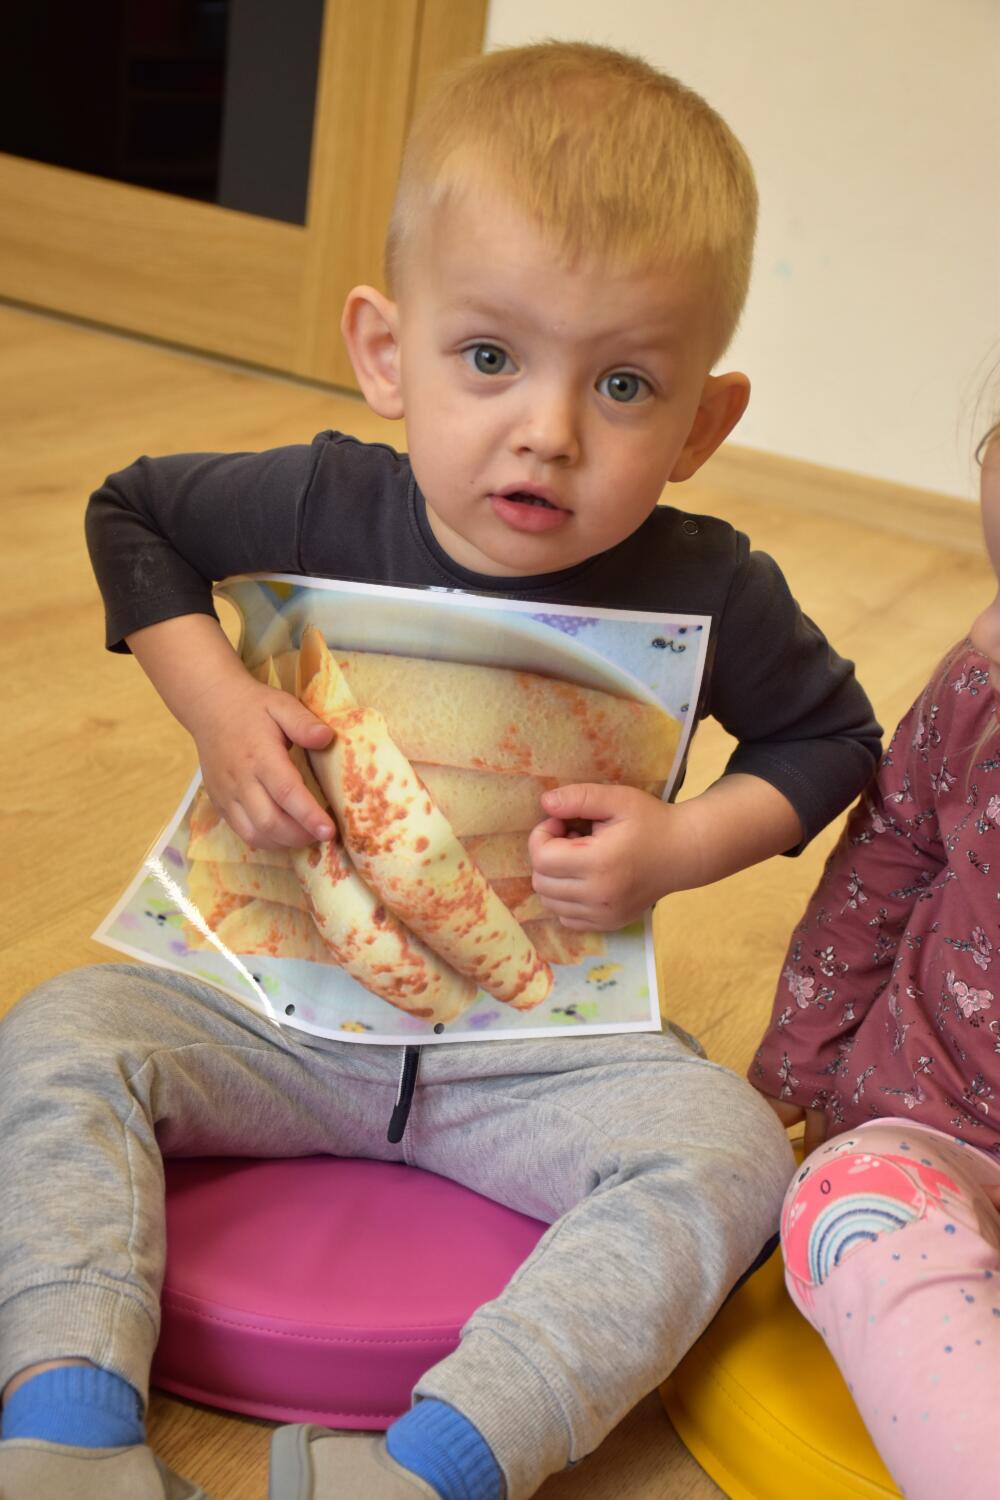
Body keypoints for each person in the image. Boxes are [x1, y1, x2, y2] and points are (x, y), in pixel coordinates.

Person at [0, 41, 880, 1500]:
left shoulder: (714, 585)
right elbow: (131, 514)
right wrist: (215, 699)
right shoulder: (318, 498)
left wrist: (681, 844)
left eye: (622, 384)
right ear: (383, 352)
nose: (547, 430)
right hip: (270, 1015)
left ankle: (434, 1465)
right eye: (488, 358)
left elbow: (831, 737)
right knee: (56, 1033)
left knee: (733, 1153)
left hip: (529, 1055)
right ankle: (67, 1418)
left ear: (702, 424)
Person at [751, 425, 1000, 1497]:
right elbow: (886, 863)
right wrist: (798, 1067)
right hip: (930, 1128)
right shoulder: (979, 687)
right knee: (844, 1205)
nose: (987, 630)